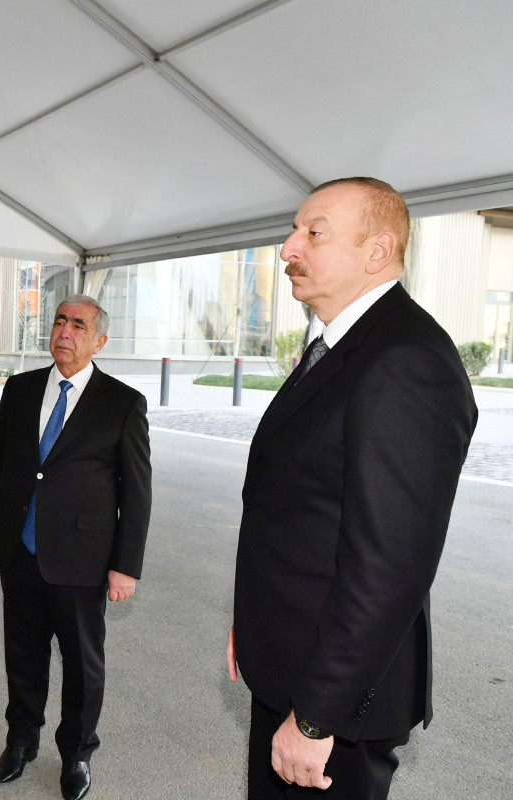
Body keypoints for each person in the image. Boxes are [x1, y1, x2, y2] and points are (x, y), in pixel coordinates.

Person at [227, 177, 477, 799]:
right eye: (293, 231)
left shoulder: (404, 359)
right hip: (293, 662)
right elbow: (302, 513)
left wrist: (316, 717)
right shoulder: (345, 347)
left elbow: (390, 566)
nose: (288, 248)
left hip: (331, 706)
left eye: (314, 232)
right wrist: (253, 623)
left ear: (376, 251)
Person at [0, 295, 151, 800]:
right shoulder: (21, 389)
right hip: (20, 552)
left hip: (83, 560)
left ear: (99, 340)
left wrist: (125, 567)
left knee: (82, 665)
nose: (65, 332)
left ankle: (77, 755)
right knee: (23, 655)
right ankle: (21, 741)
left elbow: (136, 494)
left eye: (79, 325)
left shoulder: (122, 402)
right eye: (60, 321)